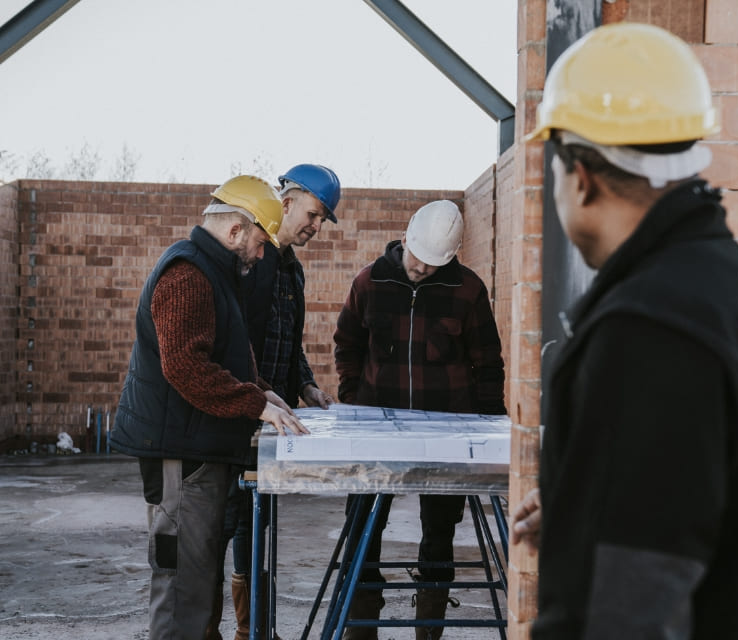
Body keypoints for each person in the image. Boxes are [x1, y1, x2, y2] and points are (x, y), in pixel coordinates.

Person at [509, 22, 738, 639]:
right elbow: (729, 513)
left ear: (579, 173)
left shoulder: (646, 331)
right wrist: (586, 510)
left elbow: (621, 615)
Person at [110, 175, 308, 640]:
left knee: (199, 582)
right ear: (236, 231)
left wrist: (264, 389)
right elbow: (186, 366)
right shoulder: (188, 274)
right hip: (182, 457)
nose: (263, 256)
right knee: (183, 588)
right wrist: (255, 403)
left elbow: (222, 353)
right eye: (261, 243)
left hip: (197, 449)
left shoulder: (213, 271)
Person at [333, 199, 507, 639]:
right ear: (406, 238)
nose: (421, 269)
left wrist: (487, 427)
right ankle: (361, 626)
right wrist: (354, 403)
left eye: (433, 264)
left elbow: (488, 361)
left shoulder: (468, 289)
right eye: (417, 259)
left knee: (439, 532)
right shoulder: (369, 282)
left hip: (447, 431)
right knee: (362, 529)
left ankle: (429, 627)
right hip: (377, 429)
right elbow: (347, 344)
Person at [210, 164, 342, 640]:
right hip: (243, 412)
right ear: (287, 202)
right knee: (227, 520)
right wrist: (254, 397)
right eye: (314, 213)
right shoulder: (251, 258)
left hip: (271, 417)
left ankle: (255, 630)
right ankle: (232, 630)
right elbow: (235, 337)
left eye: (323, 219)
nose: (316, 225)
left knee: (254, 522)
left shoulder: (292, 269)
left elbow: (289, 340)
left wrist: (304, 384)